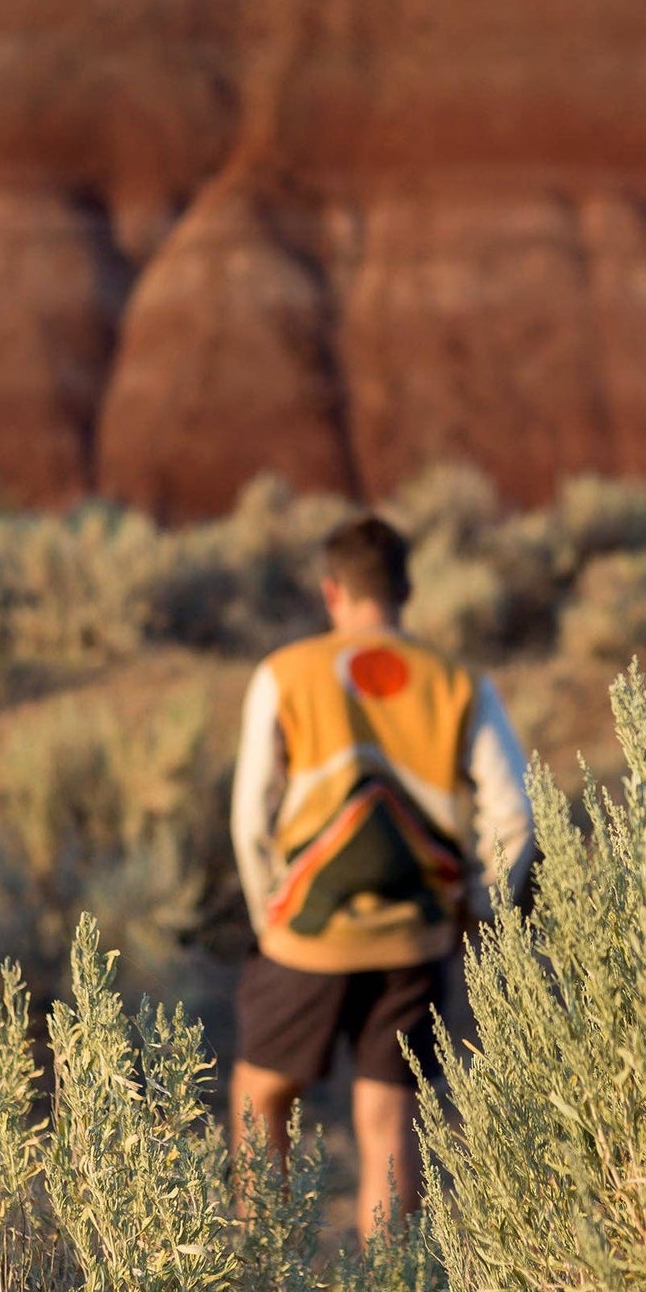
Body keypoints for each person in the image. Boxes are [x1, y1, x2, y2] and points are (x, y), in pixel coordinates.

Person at [229, 514, 534, 1243]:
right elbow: (515, 815)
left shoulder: (284, 673)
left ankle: (266, 1286)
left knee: (259, 1097)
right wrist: (478, 913)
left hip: (306, 934)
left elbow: (249, 818)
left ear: (331, 589)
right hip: (415, 936)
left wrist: (271, 918)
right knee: (387, 1114)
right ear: (406, 589)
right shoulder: (461, 683)